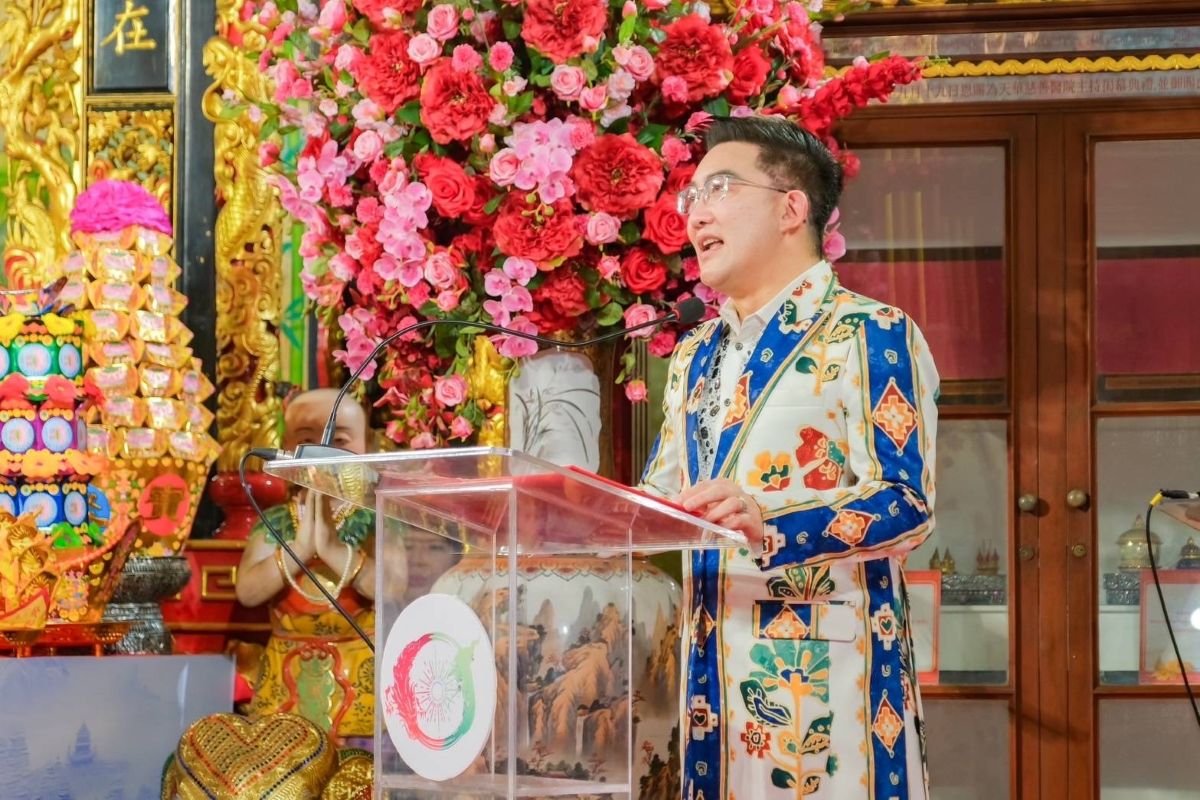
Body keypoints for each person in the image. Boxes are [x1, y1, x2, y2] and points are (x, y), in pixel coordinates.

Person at [641, 116, 938, 799]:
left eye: (719, 189)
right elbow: (661, 495)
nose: (695, 214)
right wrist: (576, 514)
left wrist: (770, 524)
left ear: (791, 208)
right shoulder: (694, 354)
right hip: (708, 678)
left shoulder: (870, 333)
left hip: (824, 685)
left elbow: (906, 505)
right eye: (691, 197)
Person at [235, 388, 378, 743]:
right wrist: (298, 548)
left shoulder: (375, 520)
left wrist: (331, 549)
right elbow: (248, 592)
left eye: (339, 440)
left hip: (358, 669)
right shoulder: (277, 520)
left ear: (367, 448)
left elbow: (392, 588)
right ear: (285, 448)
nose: (322, 451)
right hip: (287, 673)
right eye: (306, 440)